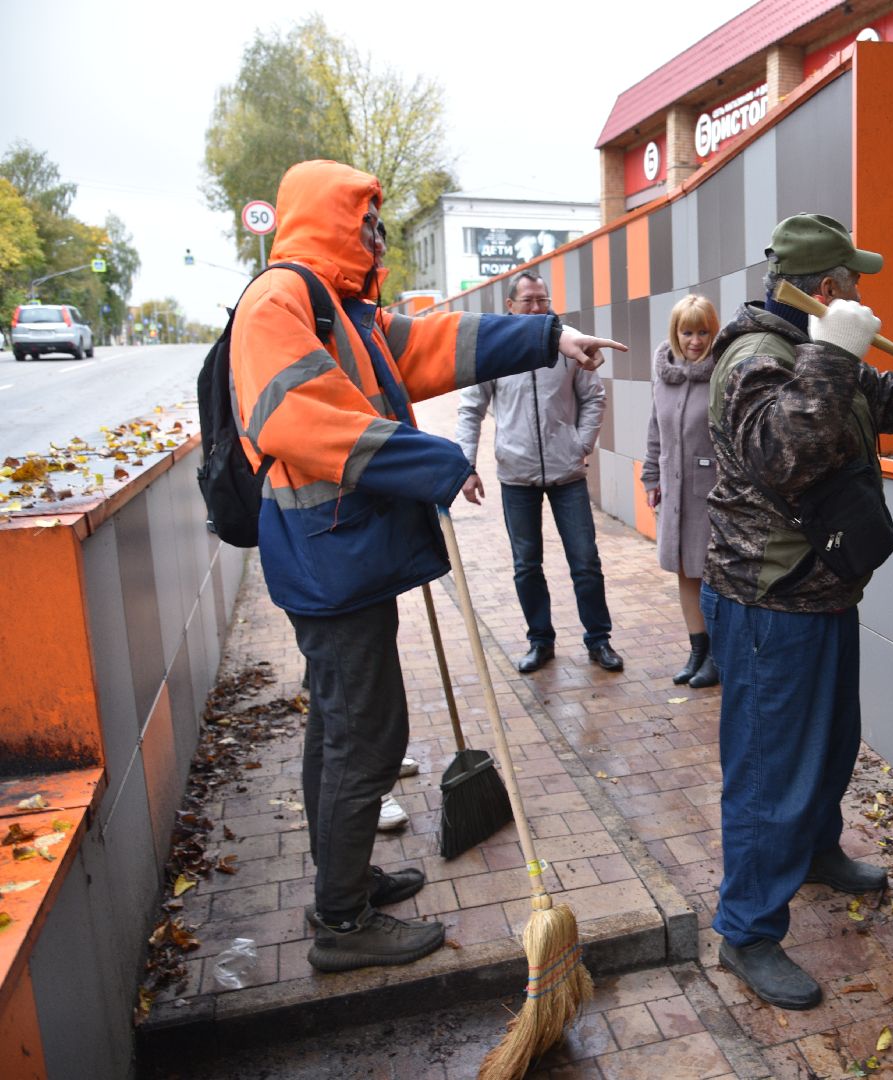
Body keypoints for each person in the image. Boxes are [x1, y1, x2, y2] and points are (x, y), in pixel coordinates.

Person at [229, 160, 624, 974]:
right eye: (368, 218)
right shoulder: (279, 300)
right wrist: (435, 463)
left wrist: (552, 337)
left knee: (337, 731)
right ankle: (341, 923)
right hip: (326, 563)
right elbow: (301, 419)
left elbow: (437, 343)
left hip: (342, 559)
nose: (379, 233)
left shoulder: (342, 310)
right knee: (367, 738)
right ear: (330, 218)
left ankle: (344, 884)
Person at [702, 213, 893, 1009]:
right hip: (769, 600)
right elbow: (782, 452)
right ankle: (747, 930)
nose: (865, 295)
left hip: (821, 588)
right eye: (855, 283)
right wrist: (834, 351)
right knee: (769, 771)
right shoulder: (755, 358)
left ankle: (815, 853)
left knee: (829, 744)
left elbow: (881, 400)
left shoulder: (818, 354)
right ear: (828, 288)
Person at [455, 272, 624, 674]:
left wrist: (579, 445)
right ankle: (540, 641)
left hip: (568, 475)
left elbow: (593, 398)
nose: (536, 308)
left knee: (585, 561)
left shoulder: (569, 342)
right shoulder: (493, 349)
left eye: (542, 300)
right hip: (516, 476)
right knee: (526, 564)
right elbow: (470, 409)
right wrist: (467, 466)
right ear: (510, 306)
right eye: (528, 301)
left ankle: (599, 640)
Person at [641, 295, 722, 688]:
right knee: (684, 572)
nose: (695, 340)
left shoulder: (722, 374)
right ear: (675, 333)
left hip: (711, 494)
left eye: (703, 331)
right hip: (673, 490)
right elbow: (655, 428)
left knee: (710, 573)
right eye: (687, 332)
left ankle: (717, 657)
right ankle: (697, 650)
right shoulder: (665, 373)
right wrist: (650, 477)